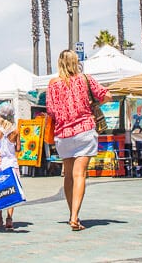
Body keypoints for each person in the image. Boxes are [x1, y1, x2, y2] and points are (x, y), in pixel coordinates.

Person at [46, 49, 112, 231]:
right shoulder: (85, 79)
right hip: (84, 130)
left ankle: (71, 215)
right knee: (80, 175)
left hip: (63, 134)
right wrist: (93, 104)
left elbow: (50, 111)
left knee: (68, 175)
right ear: (76, 62)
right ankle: (75, 216)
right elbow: (108, 95)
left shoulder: (53, 84)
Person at [0, 103, 20, 230]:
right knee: (12, 192)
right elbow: (18, 148)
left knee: (0, 191)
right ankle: (9, 218)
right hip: (12, 163)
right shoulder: (15, 131)